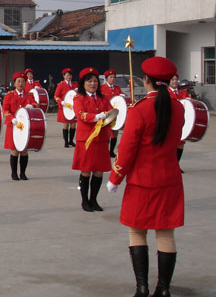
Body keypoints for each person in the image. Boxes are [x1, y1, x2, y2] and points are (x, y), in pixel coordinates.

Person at [107, 57, 184, 297]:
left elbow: (127, 149)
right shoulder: (179, 108)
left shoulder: (139, 110)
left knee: (137, 232)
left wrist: (115, 178)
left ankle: (142, 288)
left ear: (147, 80)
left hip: (142, 182)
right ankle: (163, 289)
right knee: (166, 232)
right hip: (169, 180)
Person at [72, 67, 112, 212]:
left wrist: (112, 115)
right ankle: (84, 201)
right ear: (83, 83)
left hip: (101, 138)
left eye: (95, 81)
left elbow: (111, 112)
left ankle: (94, 200)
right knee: (86, 170)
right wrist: (95, 117)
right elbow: (80, 114)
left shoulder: (104, 98)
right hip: (86, 139)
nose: (93, 84)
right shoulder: (79, 98)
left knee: (99, 171)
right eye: (89, 81)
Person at [3, 72, 38, 180]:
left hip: (25, 127)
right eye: (18, 81)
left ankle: (23, 173)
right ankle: (14, 173)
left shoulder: (29, 95)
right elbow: (5, 110)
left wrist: (32, 106)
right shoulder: (9, 95)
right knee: (14, 150)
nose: (21, 83)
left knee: (24, 150)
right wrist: (11, 118)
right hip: (13, 125)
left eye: (23, 81)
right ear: (14, 83)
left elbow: (36, 104)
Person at [101, 69, 125, 158]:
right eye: (111, 77)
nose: (113, 79)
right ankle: (105, 151)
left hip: (116, 114)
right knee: (107, 133)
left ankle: (111, 151)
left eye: (114, 77)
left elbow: (121, 98)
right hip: (107, 113)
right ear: (106, 78)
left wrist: (122, 96)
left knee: (115, 132)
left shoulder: (117, 88)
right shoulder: (102, 88)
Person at [168, 74, 188, 173]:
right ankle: (170, 165)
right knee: (171, 145)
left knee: (180, 144)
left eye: (176, 79)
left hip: (181, 121)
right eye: (172, 79)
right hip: (170, 121)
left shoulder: (183, 93)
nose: (175, 81)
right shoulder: (166, 93)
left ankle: (176, 165)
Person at [54, 67, 78, 148]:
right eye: (67, 75)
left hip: (73, 108)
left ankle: (71, 141)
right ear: (64, 76)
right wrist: (61, 102)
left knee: (73, 125)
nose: (69, 77)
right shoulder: (61, 85)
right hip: (64, 108)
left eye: (70, 75)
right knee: (66, 125)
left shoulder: (75, 84)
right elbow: (56, 96)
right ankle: (66, 141)